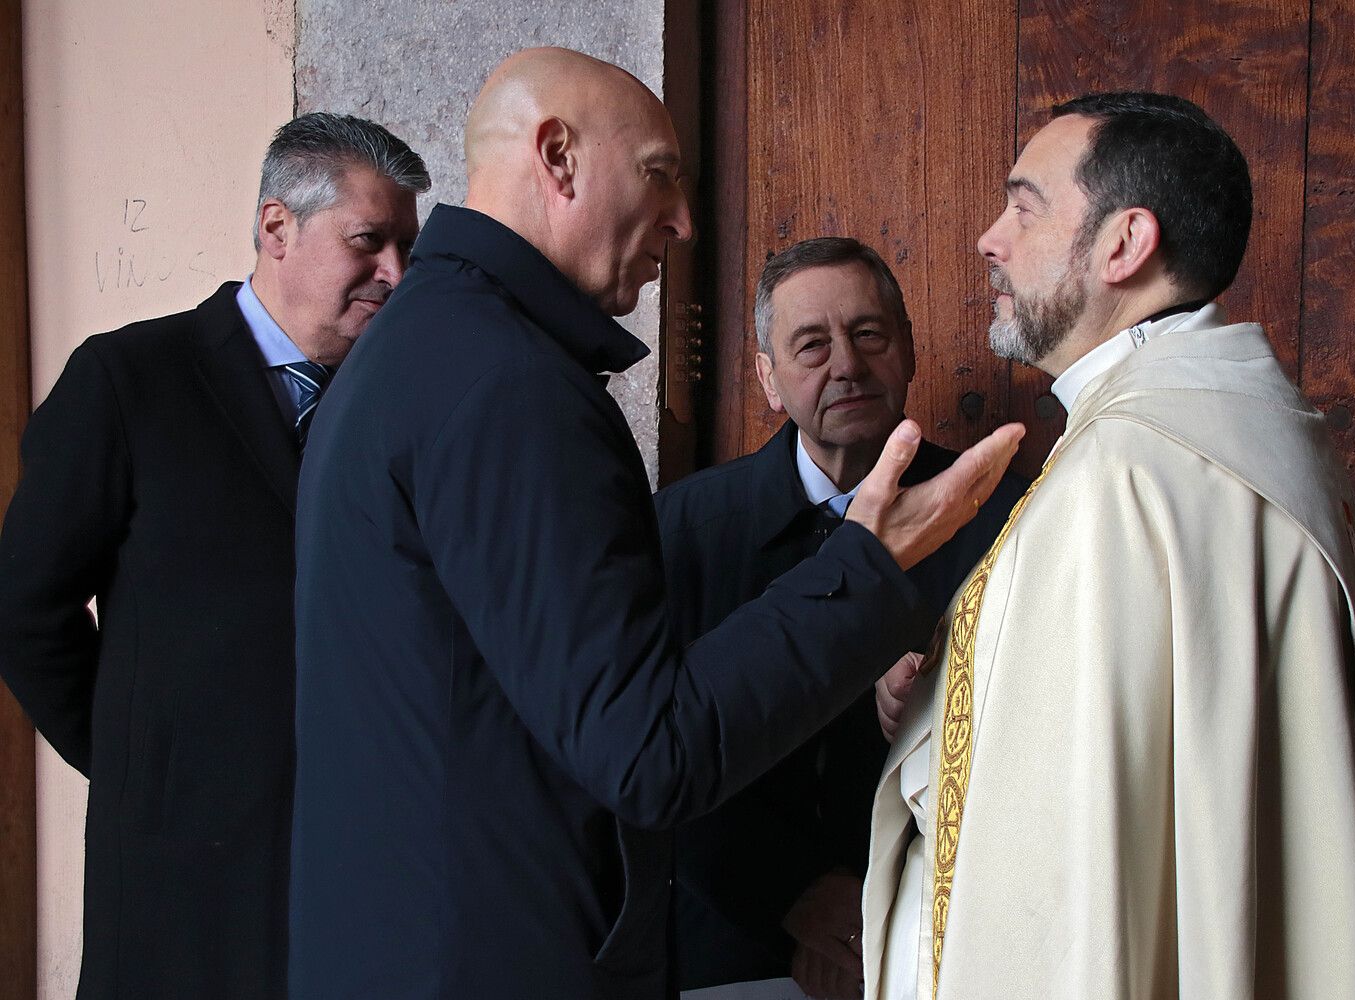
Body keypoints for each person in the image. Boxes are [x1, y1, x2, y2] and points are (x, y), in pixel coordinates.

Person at [288, 48, 1021, 1000]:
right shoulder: (504, 382)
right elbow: (648, 753)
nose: (682, 220)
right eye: (660, 175)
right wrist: (865, 566)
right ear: (557, 157)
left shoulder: (429, 348)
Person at [861, 92, 1355, 1000]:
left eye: (1024, 206)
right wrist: (938, 690)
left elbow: (1061, 868)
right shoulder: (1253, 432)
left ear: (1124, 245)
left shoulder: (1124, 476)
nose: (989, 238)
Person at [0, 113, 427, 999]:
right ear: (277, 228)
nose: (395, 272)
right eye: (370, 241)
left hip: (362, 872)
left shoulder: (402, 408)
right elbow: (24, 608)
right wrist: (143, 758)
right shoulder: (127, 379)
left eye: (405, 246)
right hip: (179, 883)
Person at [655, 237, 1026, 998]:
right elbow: (644, 743)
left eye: (868, 335)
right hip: (729, 944)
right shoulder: (684, 529)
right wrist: (793, 897)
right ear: (768, 376)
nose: (847, 365)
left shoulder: (1003, 515)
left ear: (909, 350)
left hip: (951, 945)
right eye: (812, 345)